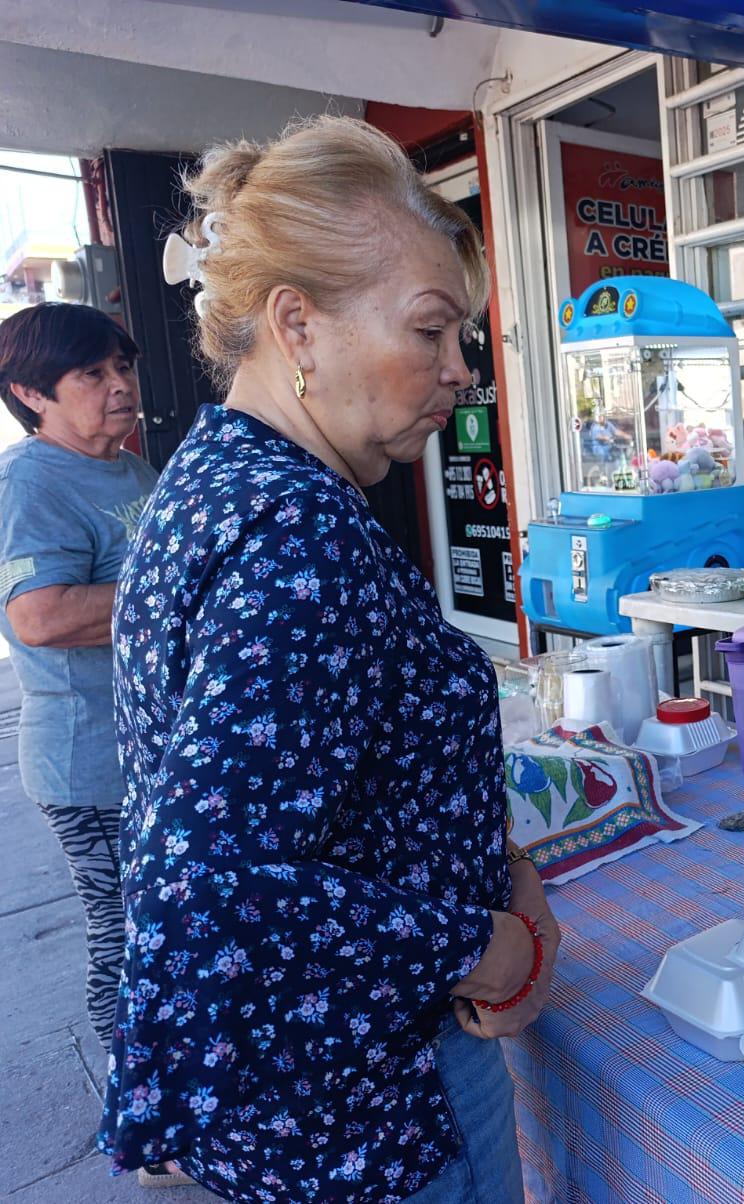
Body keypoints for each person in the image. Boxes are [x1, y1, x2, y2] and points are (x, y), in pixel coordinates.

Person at [96, 116, 560, 1203]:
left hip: (306, 1104)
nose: (460, 373)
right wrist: (473, 942)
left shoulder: (216, 478)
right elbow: (204, 889)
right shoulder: (298, 537)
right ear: (296, 325)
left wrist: (504, 867)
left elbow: (305, 795)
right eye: (433, 332)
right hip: (368, 1109)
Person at [0, 303, 157, 1057]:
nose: (118, 385)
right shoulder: (31, 481)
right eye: (91, 374)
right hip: (90, 761)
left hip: (149, 748)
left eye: (121, 366)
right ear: (31, 393)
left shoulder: (130, 466)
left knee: (172, 922)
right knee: (126, 931)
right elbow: (40, 616)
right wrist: (179, 591)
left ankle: (182, 1088)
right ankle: (138, 1115)